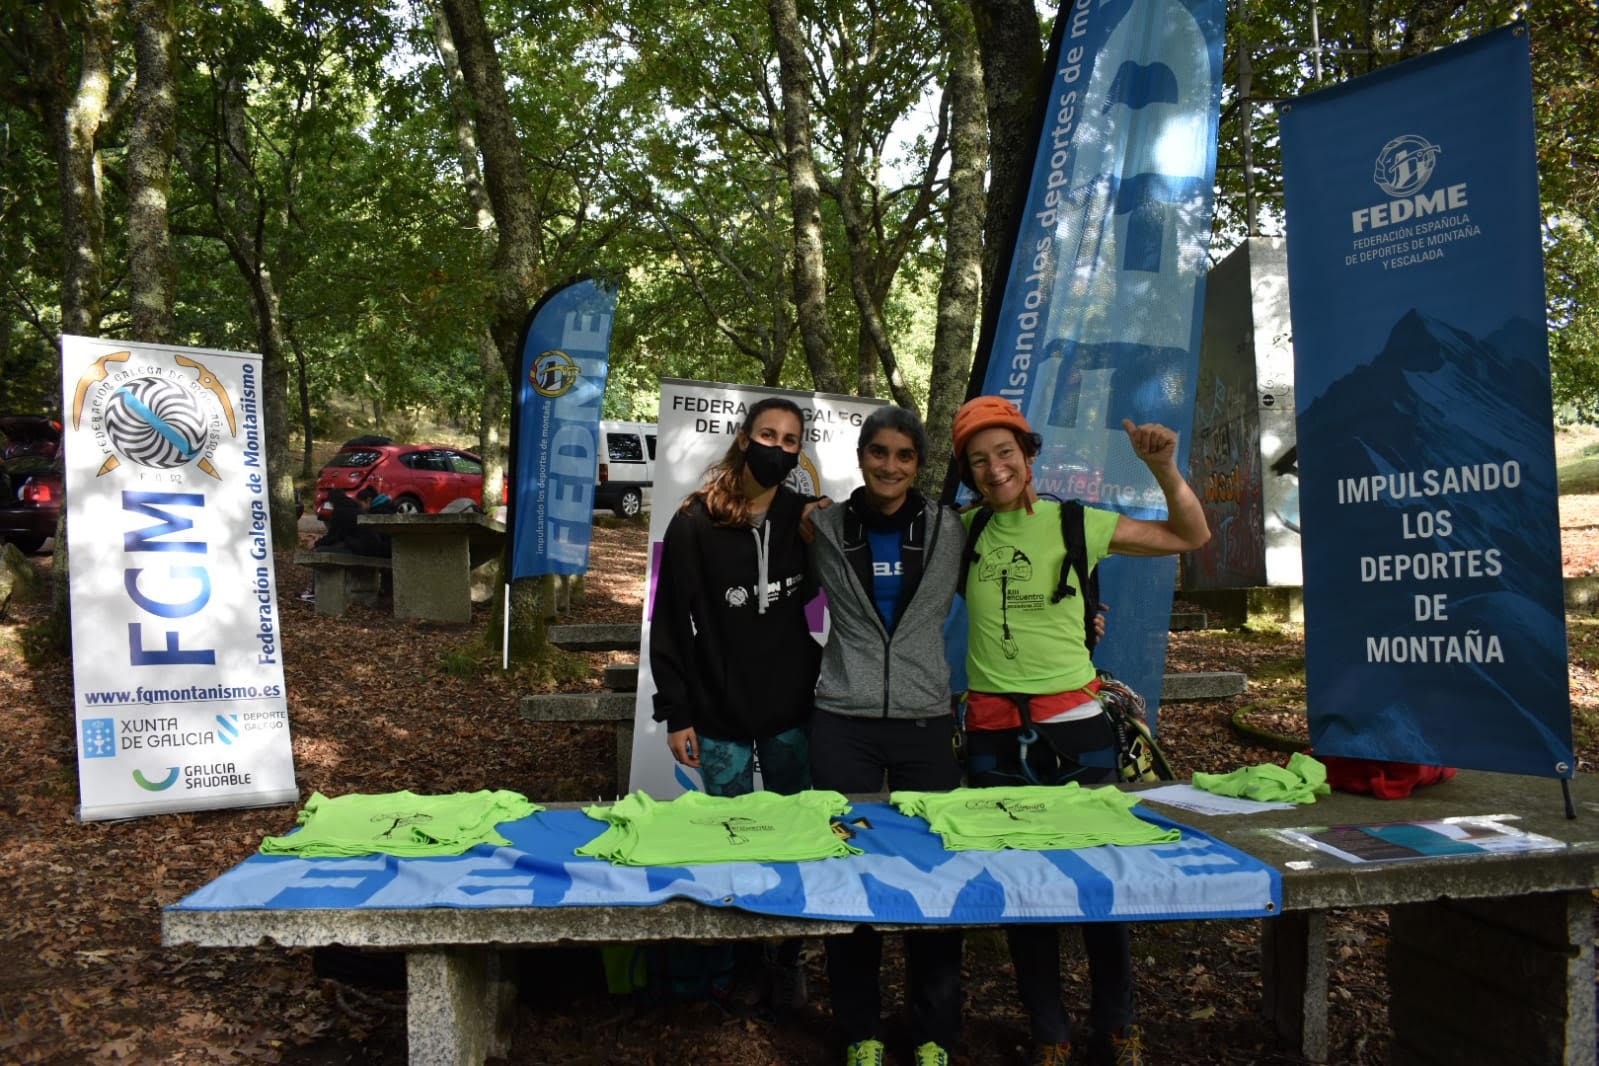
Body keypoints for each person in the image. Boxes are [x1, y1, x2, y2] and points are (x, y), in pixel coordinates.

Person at [950, 395, 1210, 1066]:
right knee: (1023, 886)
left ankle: (1118, 1026)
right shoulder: (963, 532)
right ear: (967, 472)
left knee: (1102, 881)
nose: (994, 468)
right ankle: (1050, 1033)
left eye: (1004, 452)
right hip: (992, 735)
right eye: (977, 460)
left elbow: (1190, 536)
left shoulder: (1078, 522)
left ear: (1027, 454)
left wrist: (1164, 468)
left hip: (1076, 729)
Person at [649, 394, 822, 1009]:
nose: (778, 448)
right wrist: (677, 712)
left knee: (792, 839)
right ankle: (727, 961)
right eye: (768, 435)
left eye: (791, 440)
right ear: (744, 439)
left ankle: (784, 959)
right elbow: (670, 623)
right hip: (718, 712)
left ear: (799, 452)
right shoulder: (696, 521)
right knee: (728, 839)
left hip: (791, 713)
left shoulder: (808, 520)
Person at [805, 406, 965, 1066]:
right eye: (878, 452)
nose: (889, 466)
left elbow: (1018, 577)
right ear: (861, 456)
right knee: (850, 868)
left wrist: (1087, 608)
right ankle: (861, 1030)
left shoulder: (950, 528)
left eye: (904, 455)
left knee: (935, 871)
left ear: (918, 464)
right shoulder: (822, 525)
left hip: (925, 721)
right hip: (843, 721)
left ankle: (933, 1033)